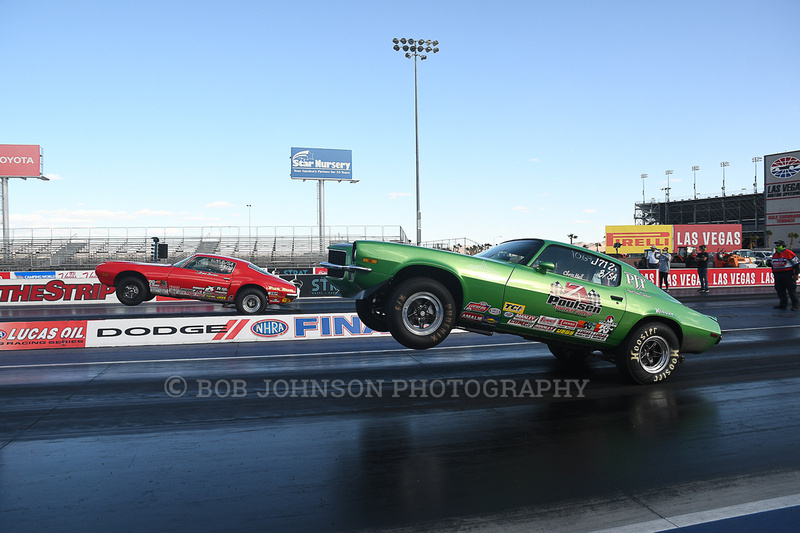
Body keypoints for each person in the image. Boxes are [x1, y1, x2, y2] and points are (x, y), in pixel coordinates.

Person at [770, 240, 800, 310]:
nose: (777, 247)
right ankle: (783, 304)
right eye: (776, 245)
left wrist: (796, 274)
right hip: (778, 274)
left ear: (783, 246)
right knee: (780, 290)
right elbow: (773, 264)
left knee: (791, 290)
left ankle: (795, 305)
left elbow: (796, 264)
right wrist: (774, 272)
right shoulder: (775, 254)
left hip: (788, 274)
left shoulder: (789, 253)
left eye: (779, 245)